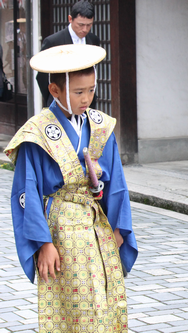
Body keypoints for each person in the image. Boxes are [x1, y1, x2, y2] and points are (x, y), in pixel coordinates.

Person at [4, 44, 138, 332]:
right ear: (54, 91)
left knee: (104, 298)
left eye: (91, 90)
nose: (87, 99)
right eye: (79, 92)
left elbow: (117, 184)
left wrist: (118, 228)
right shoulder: (37, 132)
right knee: (72, 304)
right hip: (61, 230)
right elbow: (26, 191)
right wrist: (44, 243)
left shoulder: (100, 126)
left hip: (96, 226)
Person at [36, 1, 100, 108]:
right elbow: (42, 75)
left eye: (89, 25)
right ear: (70, 19)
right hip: (61, 102)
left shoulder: (93, 40)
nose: (84, 29)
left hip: (87, 102)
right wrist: (53, 97)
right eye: (81, 25)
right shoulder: (54, 41)